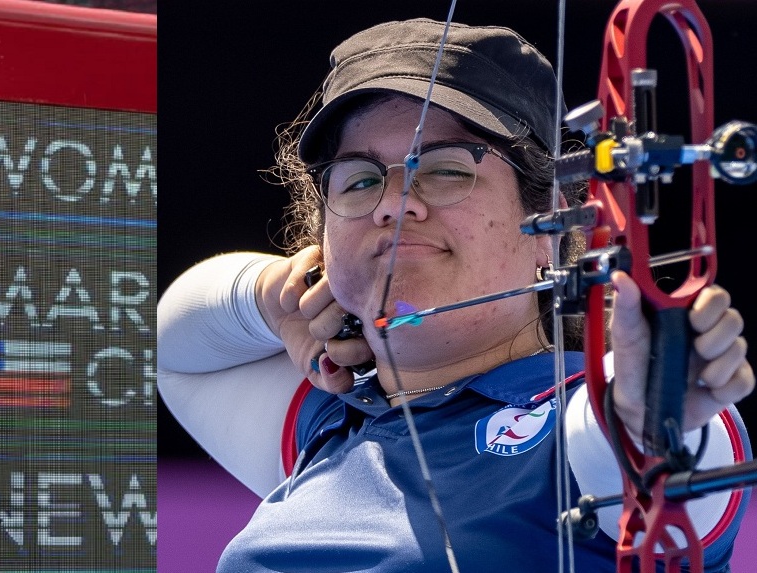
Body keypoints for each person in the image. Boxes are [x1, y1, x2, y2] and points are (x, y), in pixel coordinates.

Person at [157, 18, 755, 572]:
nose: (393, 202)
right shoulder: (330, 422)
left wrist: (654, 422)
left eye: (445, 169)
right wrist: (277, 296)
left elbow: (647, 450)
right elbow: (166, 346)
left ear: (552, 222)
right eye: (361, 179)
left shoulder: (580, 417)